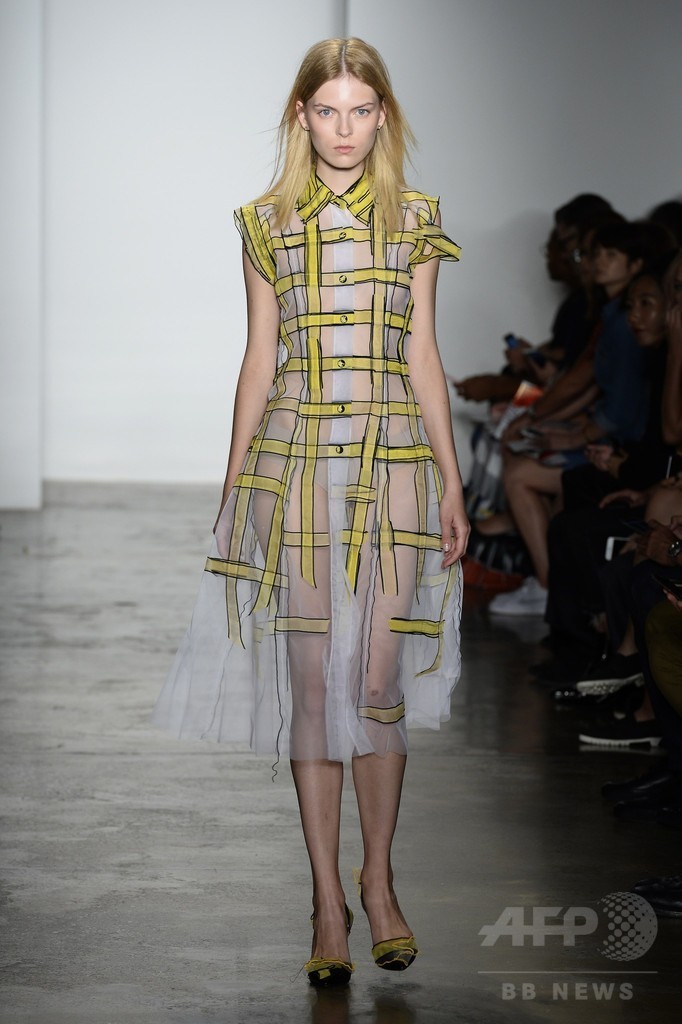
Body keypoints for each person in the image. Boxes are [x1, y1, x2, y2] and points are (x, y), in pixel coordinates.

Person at [151, 38, 469, 988]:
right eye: (327, 111)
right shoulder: (266, 223)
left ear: (383, 116)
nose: (343, 129)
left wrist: (454, 480)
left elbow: (423, 354)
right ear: (301, 116)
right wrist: (233, 485)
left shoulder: (416, 219)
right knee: (311, 683)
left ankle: (379, 879)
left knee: (377, 679)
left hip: (396, 456)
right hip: (292, 461)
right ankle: (329, 899)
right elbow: (259, 358)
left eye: (360, 111)